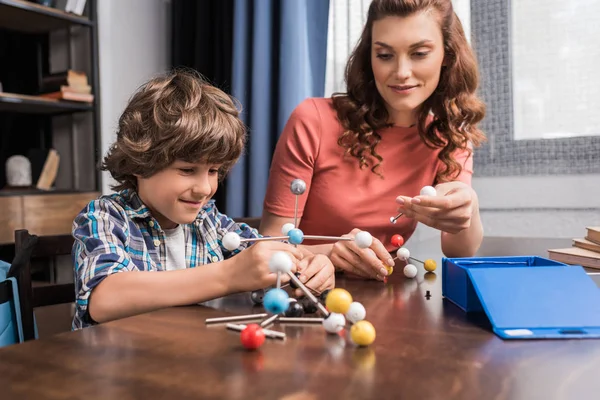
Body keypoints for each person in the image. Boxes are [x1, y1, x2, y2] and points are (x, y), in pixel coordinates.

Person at [71, 70, 334, 329]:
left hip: (190, 362)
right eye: (187, 170)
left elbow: (264, 262)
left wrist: (309, 267)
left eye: (214, 171)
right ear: (140, 163)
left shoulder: (209, 221)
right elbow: (104, 299)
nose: (205, 188)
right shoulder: (104, 217)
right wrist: (228, 275)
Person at [260, 0, 486, 282]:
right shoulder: (313, 120)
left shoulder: (448, 136)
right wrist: (330, 252)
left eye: (419, 53)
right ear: (369, 57)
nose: (402, 72)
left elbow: (458, 252)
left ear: (447, 55)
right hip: (305, 291)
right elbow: (269, 245)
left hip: (387, 295)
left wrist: (469, 206)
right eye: (385, 55)